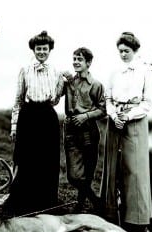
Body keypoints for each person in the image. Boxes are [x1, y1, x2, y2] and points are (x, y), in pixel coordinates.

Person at [100, 32, 152, 232]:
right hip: (114, 121)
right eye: (120, 51)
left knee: (135, 170)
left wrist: (128, 116)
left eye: (127, 51)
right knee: (112, 167)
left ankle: (138, 222)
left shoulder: (144, 71)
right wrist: (114, 115)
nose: (123, 54)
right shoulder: (113, 71)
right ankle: (111, 217)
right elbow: (108, 99)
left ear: (135, 51)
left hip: (136, 122)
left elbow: (147, 103)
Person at [7, 31, 64, 216]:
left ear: (50, 50)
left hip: (47, 117)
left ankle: (45, 204)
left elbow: (55, 100)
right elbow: (18, 99)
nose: (41, 52)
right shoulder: (25, 69)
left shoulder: (55, 71)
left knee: (47, 161)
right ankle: (23, 204)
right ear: (33, 49)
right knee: (26, 160)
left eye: (45, 49)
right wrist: (14, 126)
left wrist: (64, 83)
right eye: (38, 49)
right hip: (28, 116)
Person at [63, 47, 106, 213]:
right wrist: (62, 79)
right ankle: (96, 201)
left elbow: (103, 110)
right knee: (73, 176)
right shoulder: (69, 81)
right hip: (71, 129)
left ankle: (80, 205)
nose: (75, 62)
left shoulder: (96, 85)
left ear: (88, 63)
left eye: (79, 59)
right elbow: (57, 94)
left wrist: (86, 116)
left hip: (88, 130)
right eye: (74, 58)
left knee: (88, 173)